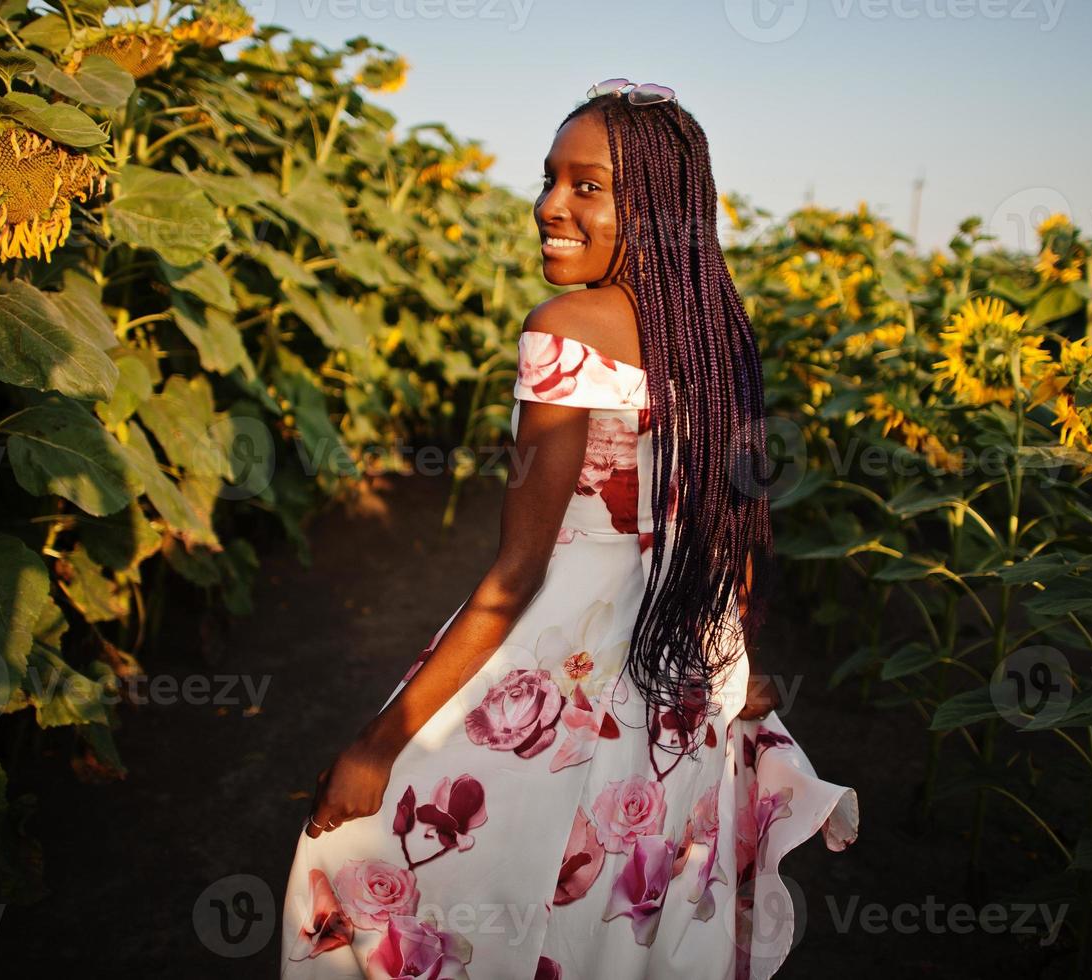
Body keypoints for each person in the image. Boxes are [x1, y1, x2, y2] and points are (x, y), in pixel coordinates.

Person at [279, 78, 857, 980]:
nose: (550, 206)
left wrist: (376, 746)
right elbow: (729, 528)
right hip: (684, 681)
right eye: (549, 178)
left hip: (568, 658)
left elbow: (516, 573)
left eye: (587, 186)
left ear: (658, 210)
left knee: (374, 861)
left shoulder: (565, 329)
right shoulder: (711, 331)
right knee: (618, 912)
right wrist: (736, 665)